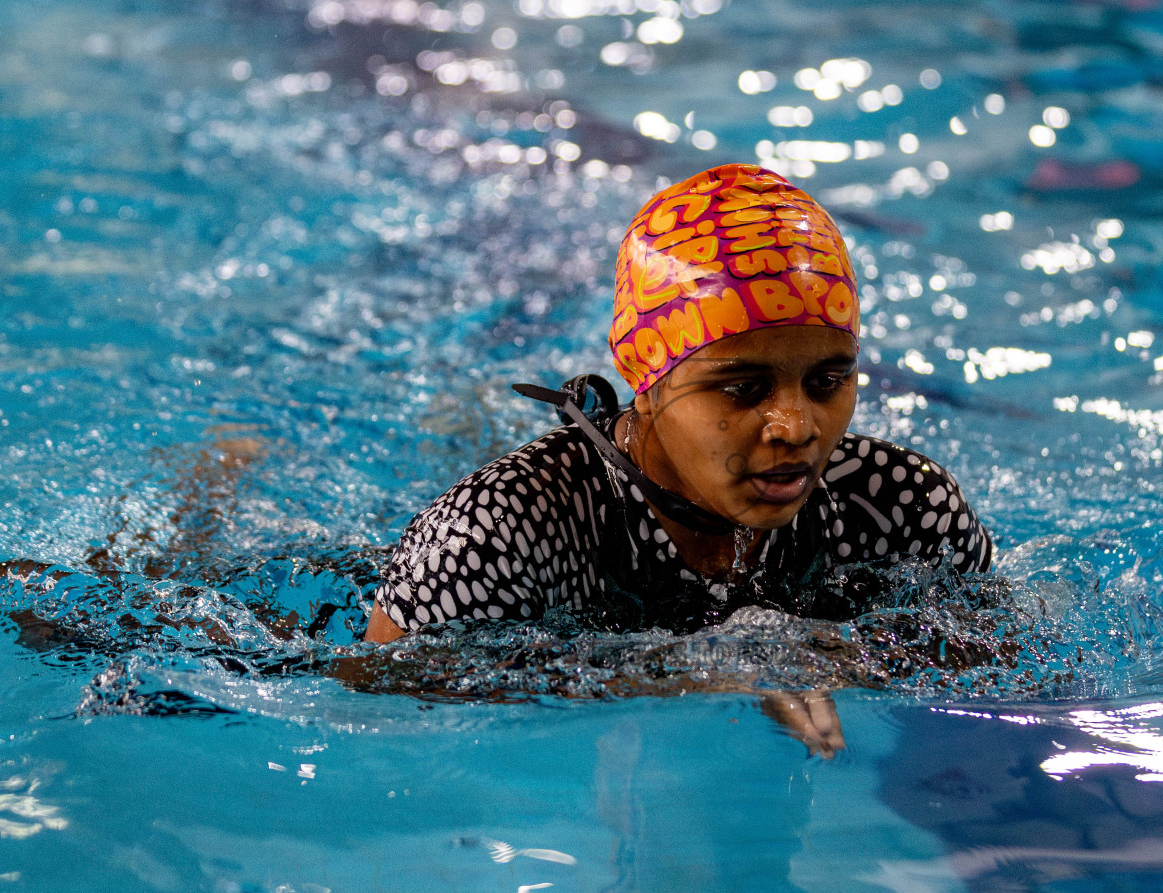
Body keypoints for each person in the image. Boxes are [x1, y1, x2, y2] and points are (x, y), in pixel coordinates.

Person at [363, 164, 993, 714]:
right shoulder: (492, 534)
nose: (797, 427)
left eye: (828, 380)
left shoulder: (906, 509)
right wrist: (691, 674)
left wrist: (845, 664)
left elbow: (1004, 662)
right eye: (743, 388)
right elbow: (378, 694)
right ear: (647, 378)